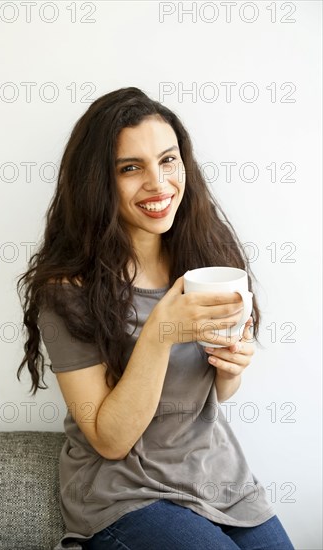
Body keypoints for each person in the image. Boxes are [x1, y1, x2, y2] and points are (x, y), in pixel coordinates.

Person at [17, 87, 294, 549]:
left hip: (219, 479)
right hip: (124, 492)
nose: (159, 183)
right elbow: (110, 440)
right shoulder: (67, 291)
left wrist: (232, 366)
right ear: (98, 182)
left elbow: (216, 392)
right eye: (131, 168)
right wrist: (160, 333)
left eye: (168, 160)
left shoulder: (206, 257)